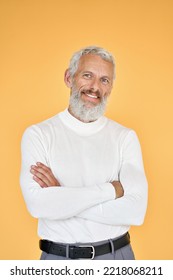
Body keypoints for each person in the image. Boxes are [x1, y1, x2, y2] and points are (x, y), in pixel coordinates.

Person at [20, 46, 148, 260]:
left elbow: (135, 211)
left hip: (116, 258)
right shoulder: (38, 134)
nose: (95, 87)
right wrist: (110, 190)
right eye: (87, 75)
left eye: (104, 80)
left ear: (111, 87)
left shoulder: (125, 137)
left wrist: (61, 196)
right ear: (69, 78)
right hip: (57, 261)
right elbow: (39, 205)